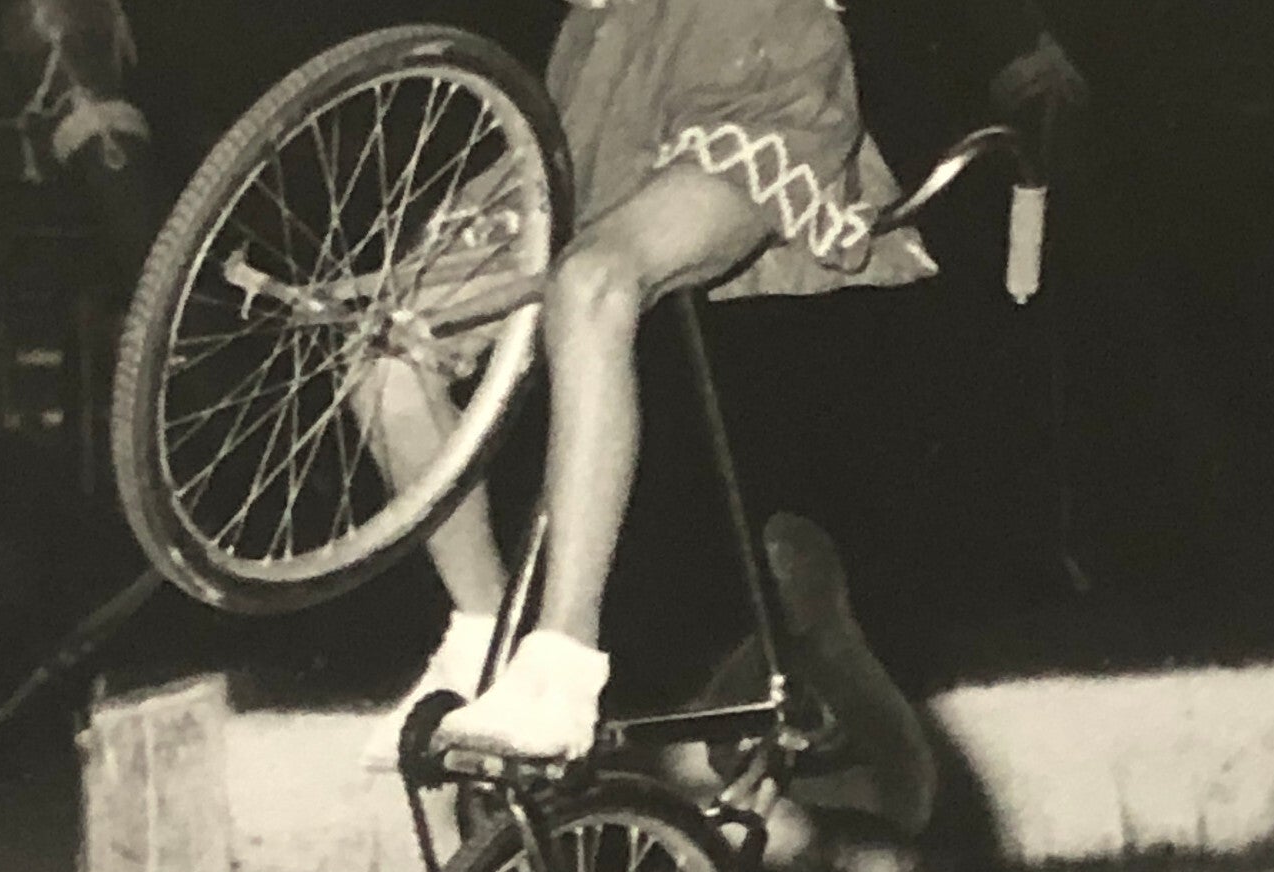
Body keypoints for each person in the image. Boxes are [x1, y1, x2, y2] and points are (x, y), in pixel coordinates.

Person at [362, 0, 937, 768]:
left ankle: (563, 663)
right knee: (386, 340)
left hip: (745, 59)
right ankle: (482, 641)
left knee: (594, 281)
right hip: (608, 76)